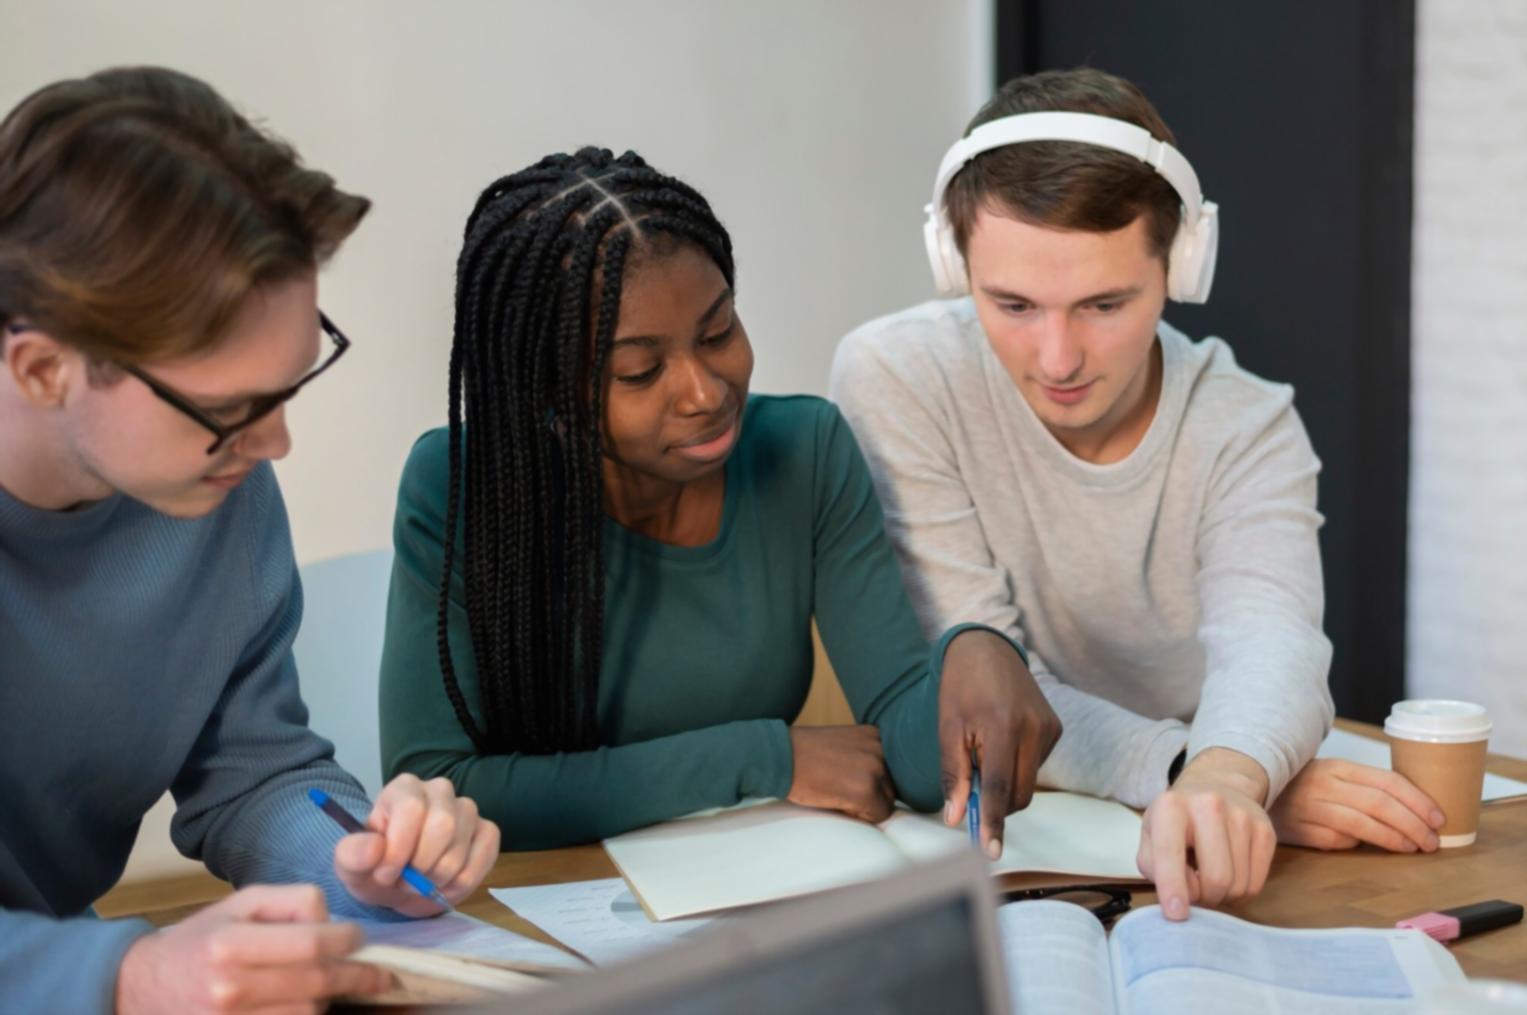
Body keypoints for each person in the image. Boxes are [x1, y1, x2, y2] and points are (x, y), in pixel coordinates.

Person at [830, 67, 1445, 921]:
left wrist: (1229, 774)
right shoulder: (897, 376)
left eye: (1104, 304)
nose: (1057, 358)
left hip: (1203, 819)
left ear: (1181, 266)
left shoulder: (1247, 423)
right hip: (1068, 828)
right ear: (952, 264)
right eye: (1011, 304)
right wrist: (1205, 771)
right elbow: (990, 692)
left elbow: (1270, 644)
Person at [378, 147, 1060, 854]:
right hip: (552, 896)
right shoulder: (457, 485)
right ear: (546, 391)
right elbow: (441, 785)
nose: (706, 392)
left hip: (751, 889)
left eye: (718, 332)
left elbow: (905, 758)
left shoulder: (807, 451)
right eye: (640, 372)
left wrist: (973, 653)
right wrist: (763, 758)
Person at [0, 67, 500, 1013]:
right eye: (231, 408)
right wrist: (125, 975)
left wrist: (360, 860)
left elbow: (253, 773)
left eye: (287, 388)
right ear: (41, 368)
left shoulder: (208, 489)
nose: (274, 445)